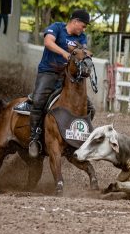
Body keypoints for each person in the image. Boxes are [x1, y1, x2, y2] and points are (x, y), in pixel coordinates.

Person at [28, 8, 95, 158]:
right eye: (83, 25)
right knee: (38, 101)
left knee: (90, 108)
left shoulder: (81, 37)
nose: (83, 29)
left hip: (67, 77)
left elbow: (82, 51)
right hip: (48, 72)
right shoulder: (57, 27)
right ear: (75, 21)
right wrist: (64, 52)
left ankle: (75, 138)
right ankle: (34, 138)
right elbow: (48, 42)